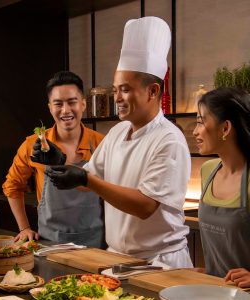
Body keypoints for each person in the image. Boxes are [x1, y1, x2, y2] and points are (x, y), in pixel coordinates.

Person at [33, 17, 193, 268]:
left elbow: (145, 205)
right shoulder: (118, 132)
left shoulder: (169, 139)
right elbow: (88, 180)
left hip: (159, 262)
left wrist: (86, 179)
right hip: (118, 259)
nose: (117, 97)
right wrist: (61, 162)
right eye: (115, 89)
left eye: (125, 89)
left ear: (153, 91)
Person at [2, 71, 105, 247]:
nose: (65, 110)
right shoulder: (32, 145)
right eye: (58, 104)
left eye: (72, 102)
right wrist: (24, 228)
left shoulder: (102, 143)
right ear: (50, 107)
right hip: (49, 243)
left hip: (95, 243)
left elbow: (114, 189)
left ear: (83, 104)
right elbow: (12, 186)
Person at [193, 87, 250, 287]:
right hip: (216, 290)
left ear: (225, 128)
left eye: (200, 122)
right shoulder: (208, 171)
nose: (195, 131)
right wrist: (210, 271)